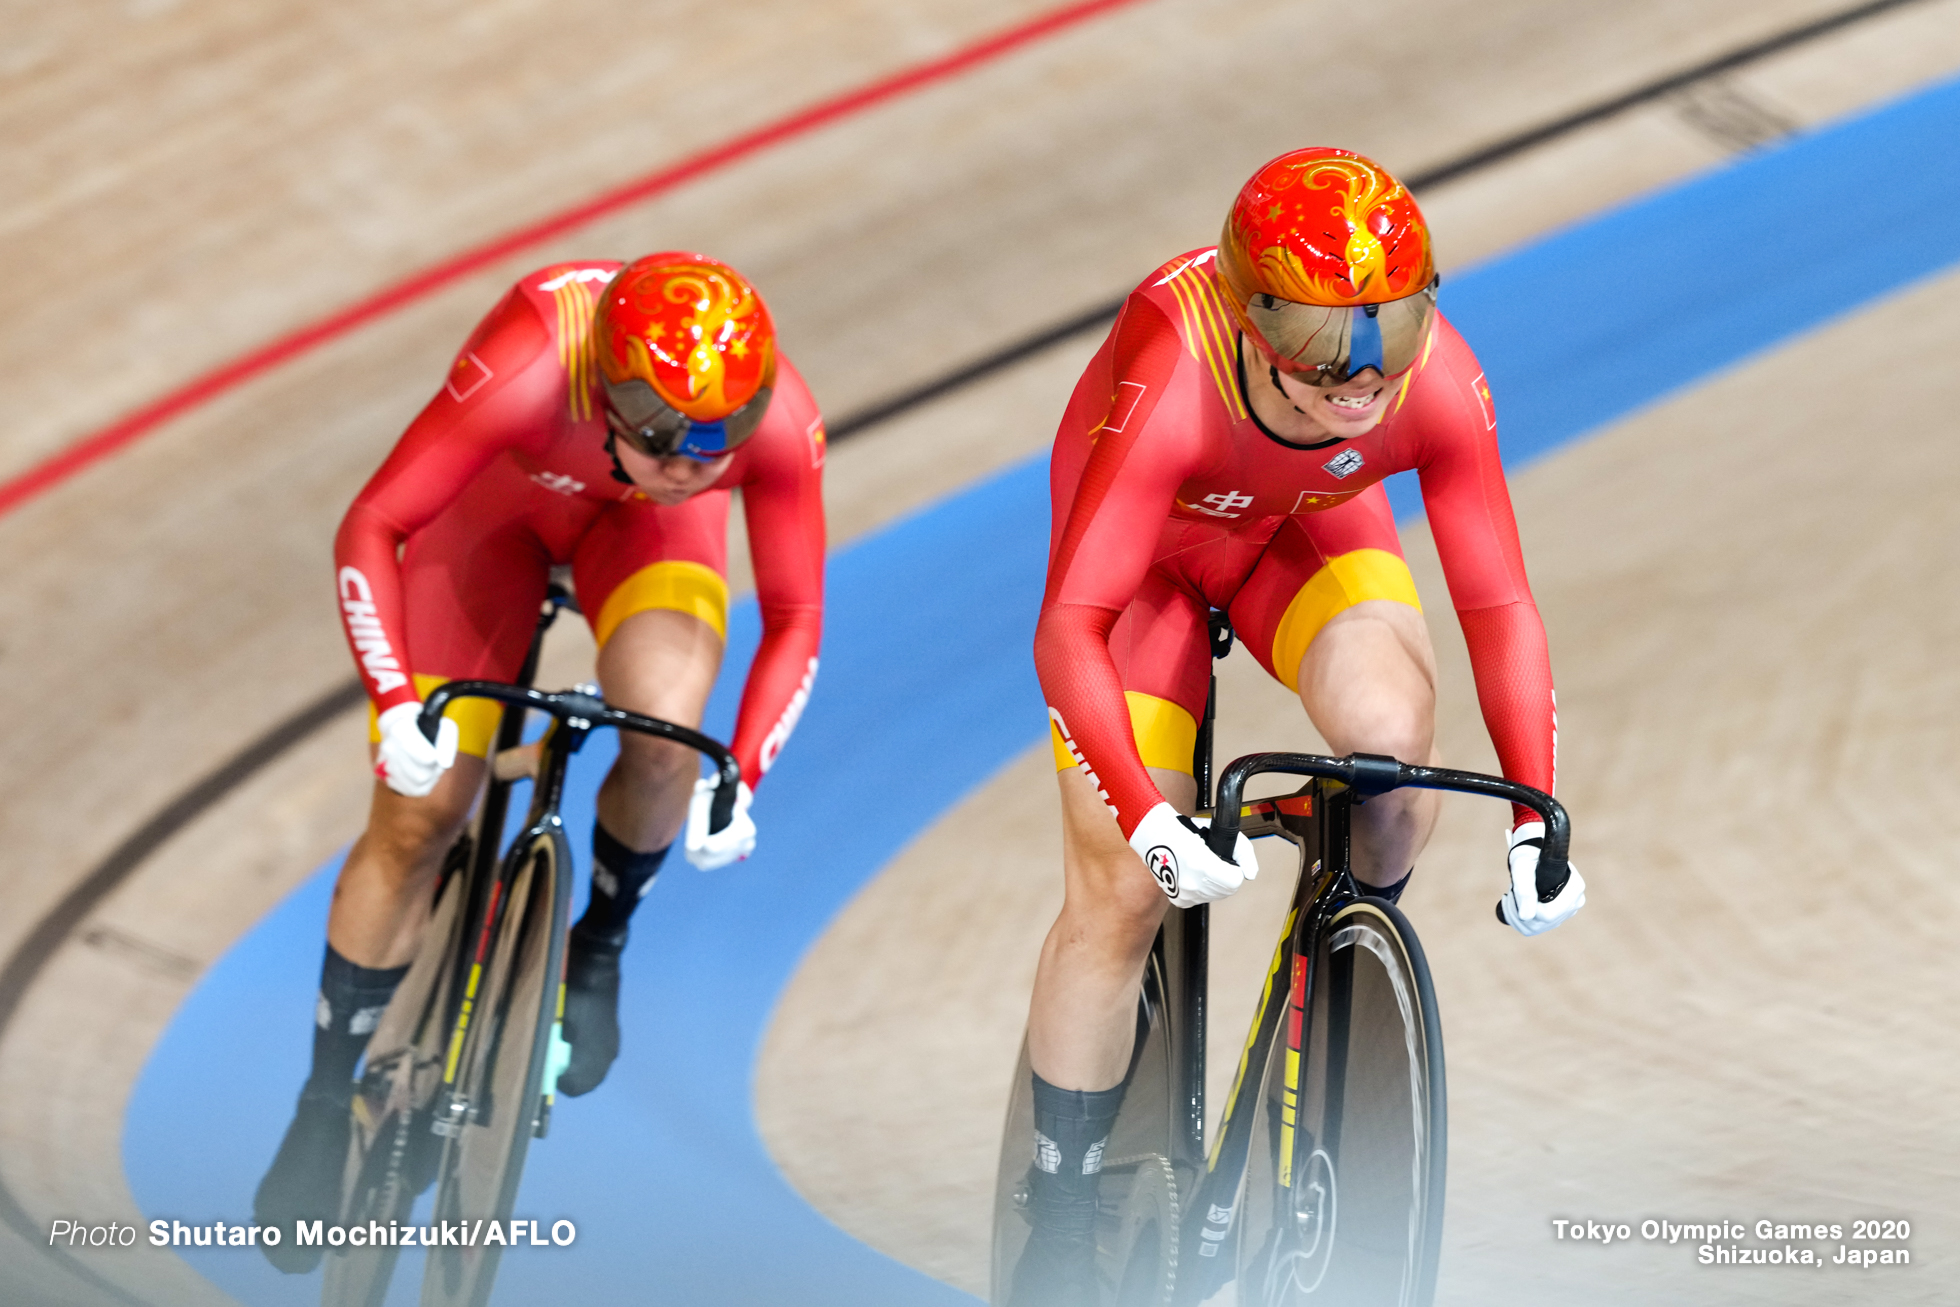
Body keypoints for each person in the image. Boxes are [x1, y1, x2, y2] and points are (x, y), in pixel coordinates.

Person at [1013, 148, 1585, 1302]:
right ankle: (1060, 1210)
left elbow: (1498, 601)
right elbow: (1070, 627)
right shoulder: (1174, 370)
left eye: (1391, 330)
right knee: (1124, 888)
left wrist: (1535, 805)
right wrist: (1149, 820)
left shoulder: (1434, 380)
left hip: (1299, 531)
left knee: (1392, 763)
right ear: (1250, 312)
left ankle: (1332, 968)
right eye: (1324, 347)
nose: (1360, 377)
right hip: (1148, 566)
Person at [252, 253, 825, 1271]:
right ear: (604, 390)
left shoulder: (770, 422)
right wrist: (395, 705)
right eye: (666, 432)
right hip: (495, 522)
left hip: (648, 542)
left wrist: (740, 774)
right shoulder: (529, 362)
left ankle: (598, 942)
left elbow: (794, 616)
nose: (697, 459)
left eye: (720, 438)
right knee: (424, 809)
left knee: (665, 738)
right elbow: (373, 522)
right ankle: (321, 1090)